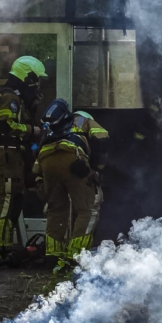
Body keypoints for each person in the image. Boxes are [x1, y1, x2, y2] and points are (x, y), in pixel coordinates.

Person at [33, 98, 110, 268]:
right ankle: (75, 256)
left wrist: (38, 177)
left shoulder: (51, 129)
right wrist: (97, 168)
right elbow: (102, 136)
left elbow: (38, 153)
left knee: (56, 209)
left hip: (46, 161)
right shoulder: (83, 119)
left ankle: (53, 256)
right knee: (88, 210)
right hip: (72, 159)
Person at [0, 56, 47, 263]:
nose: (37, 83)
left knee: (16, 200)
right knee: (7, 200)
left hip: (17, 154)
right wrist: (33, 130)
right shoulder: (8, 96)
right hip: (8, 153)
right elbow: (6, 127)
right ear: (27, 75)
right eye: (36, 78)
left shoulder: (19, 97)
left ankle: (6, 245)